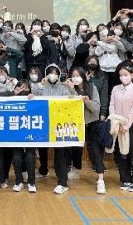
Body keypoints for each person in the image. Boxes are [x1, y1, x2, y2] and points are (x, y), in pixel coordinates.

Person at [29, 63, 77, 195]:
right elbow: (33, 94)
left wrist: (72, 90)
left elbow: (73, 99)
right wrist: (40, 85)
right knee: (42, 149)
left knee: (60, 153)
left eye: (56, 73)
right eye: (51, 72)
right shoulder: (42, 86)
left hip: (58, 124)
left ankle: (62, 182)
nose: (53, 75)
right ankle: (43, 170)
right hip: (44, 123)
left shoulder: (63, 87)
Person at [109, 62, 133, 192]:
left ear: (132, 75)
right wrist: (114, 120)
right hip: (117, 124)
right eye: (121, 75)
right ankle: (125, 179)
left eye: (125, 75)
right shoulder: (115, 89)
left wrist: (127, 125)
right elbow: (112, 105)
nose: (123, 77)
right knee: (121, 153)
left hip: (131, 125)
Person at [71, 66, 105, 194]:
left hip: (91, 123)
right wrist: (70, 89)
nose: (75, 78)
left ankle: (100, 179)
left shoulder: (92, 88)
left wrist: (87, 102)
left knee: (95, 150)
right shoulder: (70, 88)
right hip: (76, 124)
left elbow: (96, 108)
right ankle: (74, 169)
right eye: (73, 76)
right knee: (74, 147)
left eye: (77, 75)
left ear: (83, 76)